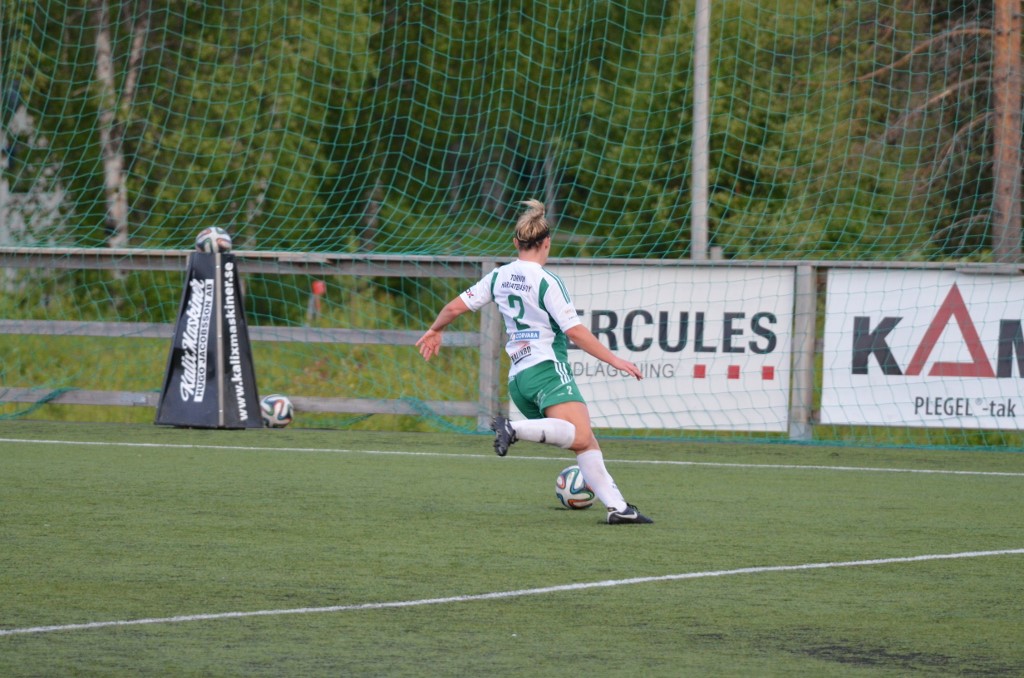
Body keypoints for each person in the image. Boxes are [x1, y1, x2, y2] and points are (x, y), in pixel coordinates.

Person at [416, 199, 653, 524]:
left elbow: (455, 307)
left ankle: (619, 508)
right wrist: (614, 360)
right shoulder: (546, 281)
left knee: (585, 441)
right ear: (547, 243)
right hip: (546, 370)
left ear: (516, 242)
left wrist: (435, 329)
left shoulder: (498, 276)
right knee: (580, 435)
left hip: (519, 380)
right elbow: (575, 331)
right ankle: (512, 428)